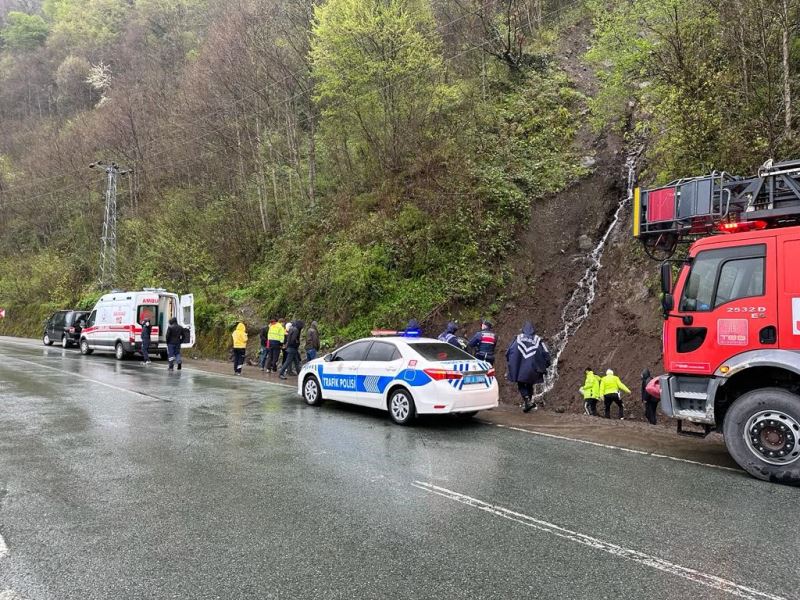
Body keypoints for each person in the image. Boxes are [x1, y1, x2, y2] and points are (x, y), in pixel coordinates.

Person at [505, 321, 551, 413]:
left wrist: (511, 362)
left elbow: (509, 351)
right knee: (530, 383)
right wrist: (546, 364)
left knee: (521, 383)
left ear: (523, 329)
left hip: (519, 366)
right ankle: (528, 403)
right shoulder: (538, 339)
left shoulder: (518, 338)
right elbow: (546, 353)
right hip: (533, 368)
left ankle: (527, 400)